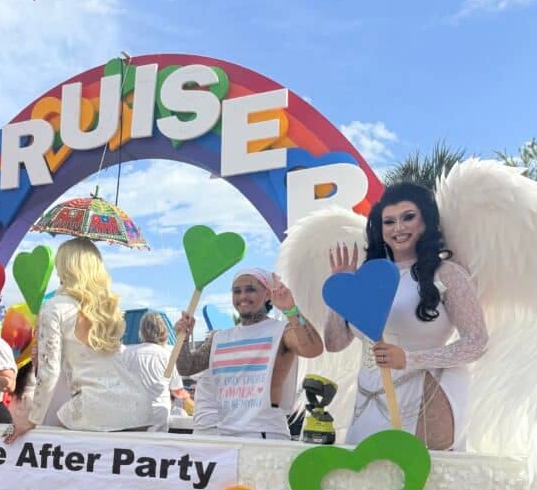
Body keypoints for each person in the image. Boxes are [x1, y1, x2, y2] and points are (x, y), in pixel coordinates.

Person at [323, 183, 489, 449]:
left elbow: (477, 341)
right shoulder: (367, 279)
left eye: (408, 217)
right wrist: (340, 289)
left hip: (427, 396)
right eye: (389, 221)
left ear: (425, 220)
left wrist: (410, 359)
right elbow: (334, 344)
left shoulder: (446, 273)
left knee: (421, 483)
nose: (398, 228)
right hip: (366, 401)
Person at [3, 237, 152, 442]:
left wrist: (31, 419)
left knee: (56, 460)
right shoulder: (107, 309)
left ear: (66, 267)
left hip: (94, 409)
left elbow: (50, 372)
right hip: (138, 408)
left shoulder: (54, 306)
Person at [174, 268, 323, 439]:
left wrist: (291, 309)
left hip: (266, 434)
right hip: (224, 435)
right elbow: (186, 368)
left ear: (267, 294)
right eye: (237, 291)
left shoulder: (282, 331)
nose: (242, 296)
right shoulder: (219, 337)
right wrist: (183, 339)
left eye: (250, 290)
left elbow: (313, 349)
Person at [116, 311, 184, 432]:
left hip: (132, 414)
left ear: (141, 331)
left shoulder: (126, 353)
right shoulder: (168, 356)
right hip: (159, 414)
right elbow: (177, 391)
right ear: (163, 331)